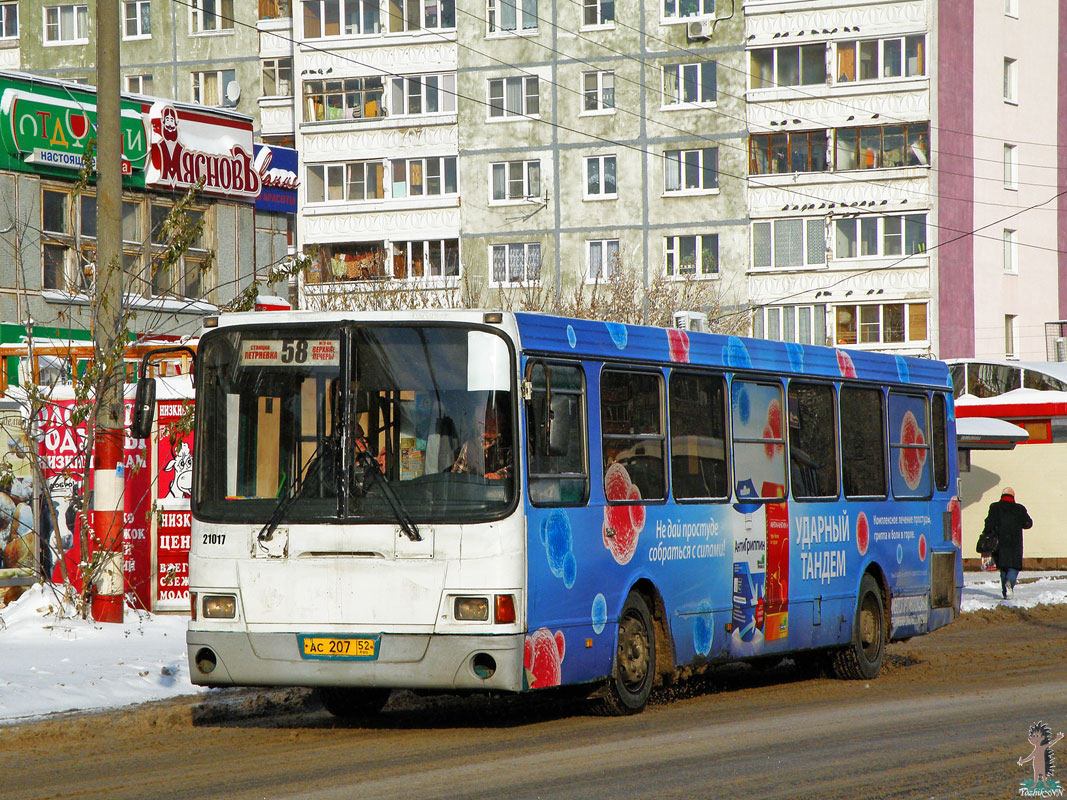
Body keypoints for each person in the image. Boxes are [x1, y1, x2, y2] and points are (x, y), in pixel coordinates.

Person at [983, 486, 1032, 599]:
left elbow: (989, 523)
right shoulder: (1019, 509)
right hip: (1015, 542)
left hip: (999, 542)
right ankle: (1009, 583)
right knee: (1014, 566)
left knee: (1003, 566)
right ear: (1013, 497)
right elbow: (1028, 524)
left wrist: (987, 535)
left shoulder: (995, 507)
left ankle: (1005, 593)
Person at [451, 403, 511, 480]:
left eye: (486, 418)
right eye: (478, 419)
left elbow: (522, 468)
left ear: (498, 419)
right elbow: (456, 475)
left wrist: (499, 475)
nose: (481, 422)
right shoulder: (469, 445)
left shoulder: (512, 442)